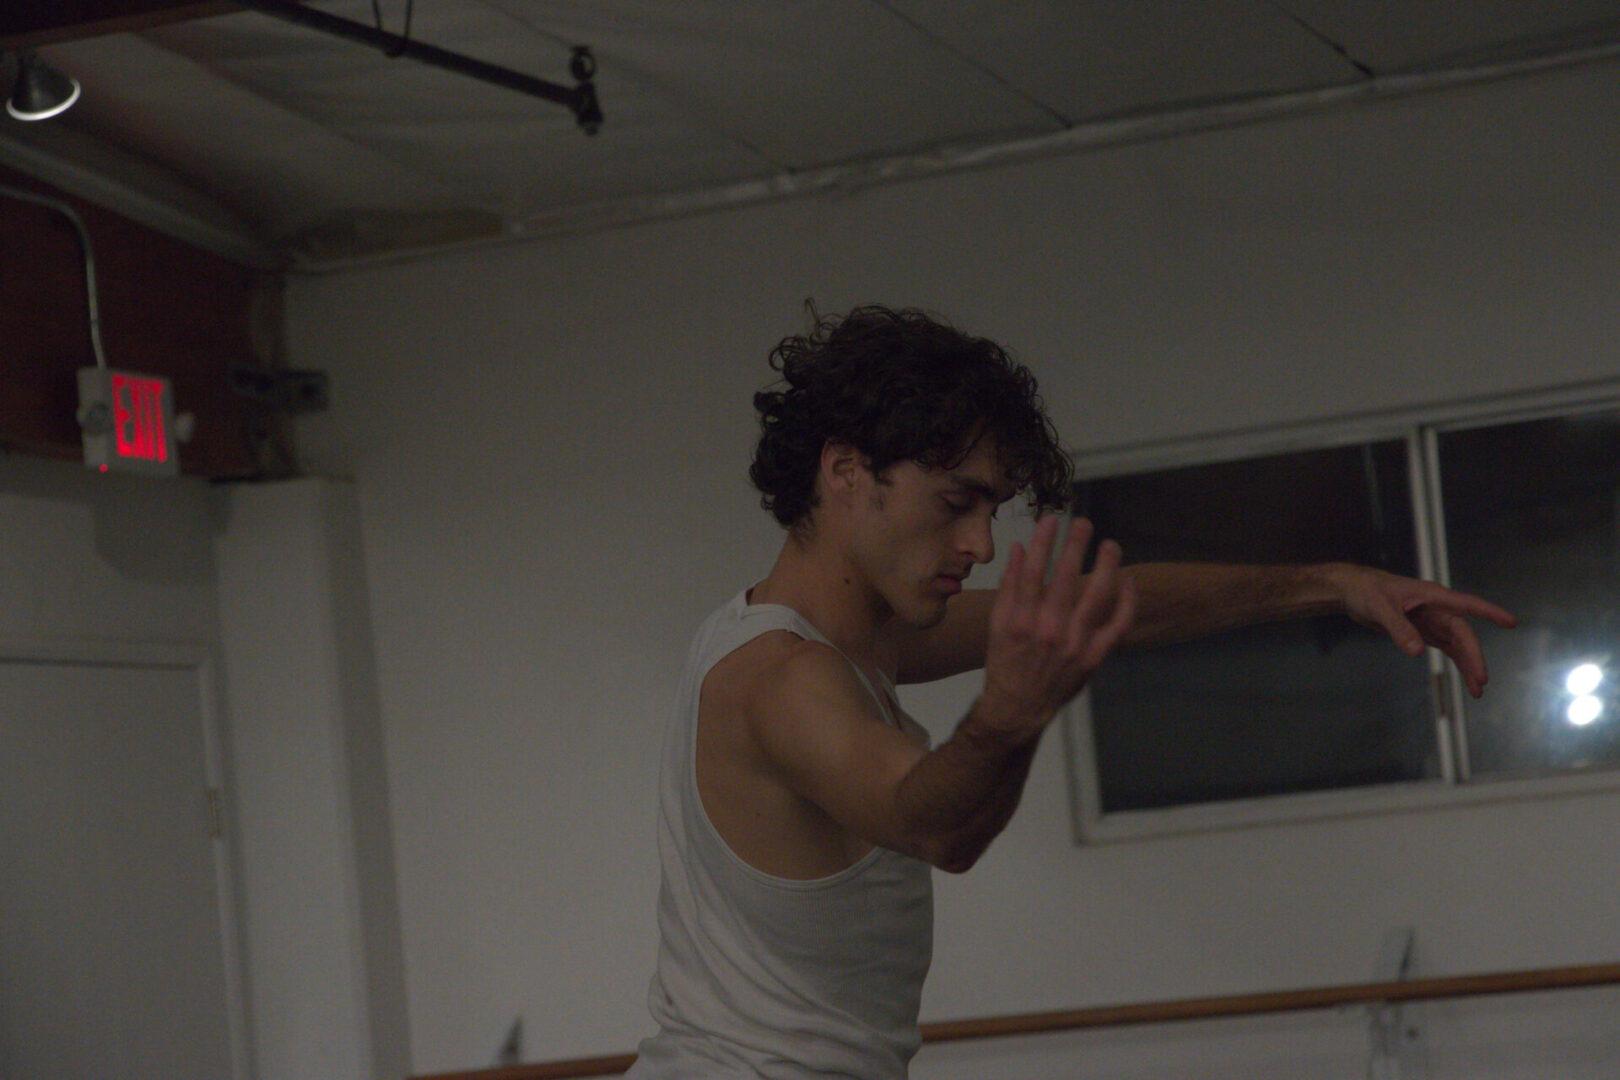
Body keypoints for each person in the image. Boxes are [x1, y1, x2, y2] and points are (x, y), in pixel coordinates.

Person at [625, 305, 1516, 1079]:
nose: (981, 544)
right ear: (846, 471)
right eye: (956, 503)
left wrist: (1333, 585)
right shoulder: (780, 677)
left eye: (992, 511)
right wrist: (1011, 712)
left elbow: (1113, 608)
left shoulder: (865, 641)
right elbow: (930, 823)